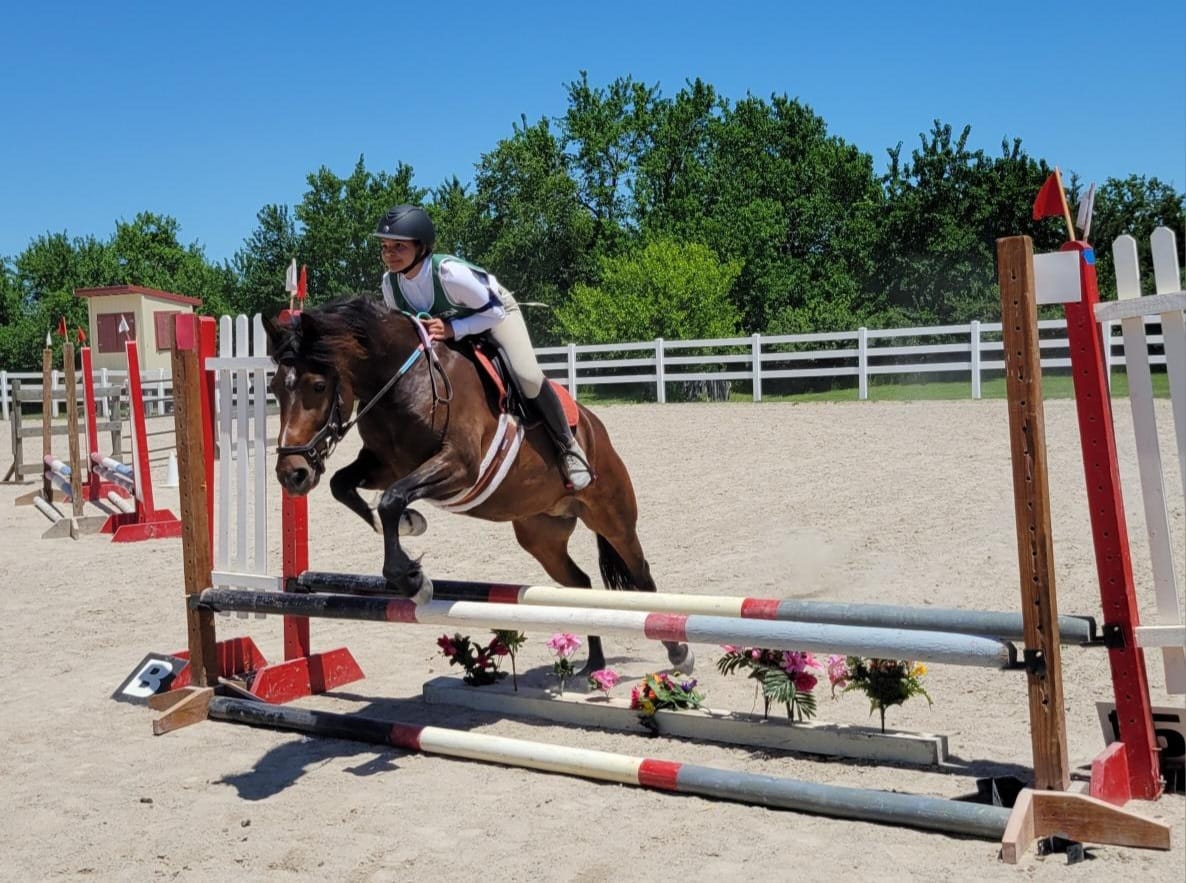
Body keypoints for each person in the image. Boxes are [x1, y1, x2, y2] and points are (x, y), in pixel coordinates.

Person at [374, 204, 592, 491]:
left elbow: (495, 311)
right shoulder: (390, 284)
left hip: (494, 314)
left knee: (526, 375)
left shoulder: (449, 274)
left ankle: (568, 446)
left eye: (398, 247)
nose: (389, 254)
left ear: (421, 247)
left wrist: (454, 329)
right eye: (385, 247)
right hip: (448, 328)